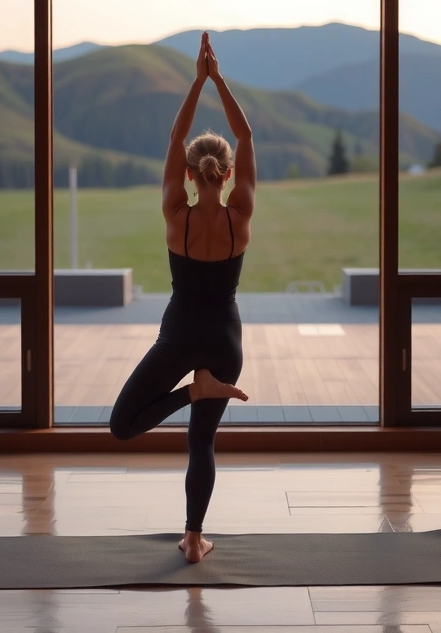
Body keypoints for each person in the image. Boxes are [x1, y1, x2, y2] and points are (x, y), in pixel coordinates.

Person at [109, 32, 256, 564]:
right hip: (225, 338)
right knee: (203, 444)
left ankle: (192, 395)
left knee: (122, 423)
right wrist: (219, 81)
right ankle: (194, 539)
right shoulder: (240, 217)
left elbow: (175, 138)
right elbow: (245, 134)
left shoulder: (178, 216)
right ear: (229, 174)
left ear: (191, 175)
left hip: (180, 334)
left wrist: (197, 81)